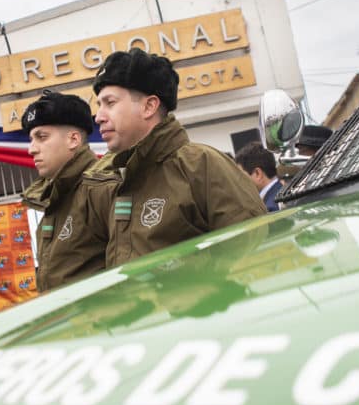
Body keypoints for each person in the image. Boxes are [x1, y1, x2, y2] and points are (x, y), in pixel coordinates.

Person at [88, 47, 266, 267]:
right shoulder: (118, 180)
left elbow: (253, 254)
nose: (98, 117)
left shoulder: (202, 165)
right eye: (99, 105)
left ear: (149, 106)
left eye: (110, 103)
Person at [20, 90, 114, 292]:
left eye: (41, 137)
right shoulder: (54, 198)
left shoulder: (101, 187)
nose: (32, 149)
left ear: (73, 139)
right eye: (31, 139)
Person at [234, 141, 281, 212]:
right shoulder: (282, 192)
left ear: (257, 173)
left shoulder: (271, 209)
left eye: (241, 176)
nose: (239, 182)